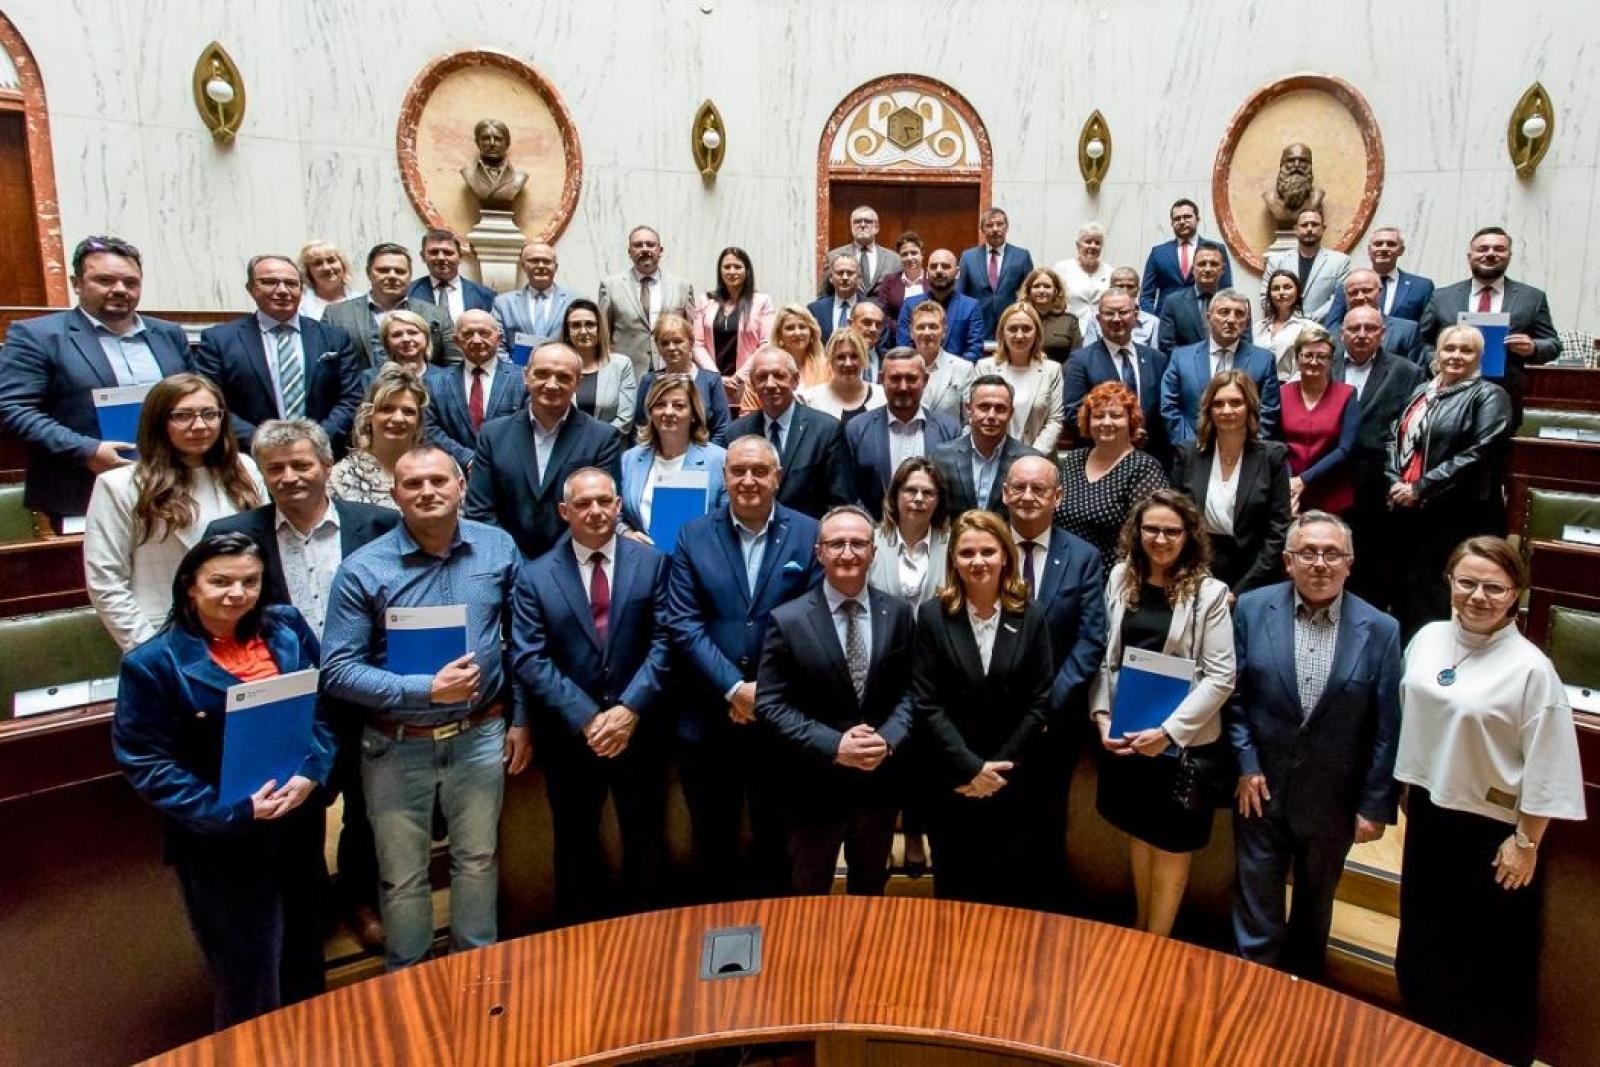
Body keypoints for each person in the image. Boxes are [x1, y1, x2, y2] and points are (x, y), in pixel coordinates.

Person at [111, 533, 335, 1028]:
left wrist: (312, 772)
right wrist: (230, 810)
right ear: (190, 586)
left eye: (250, 581)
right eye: (221, 582)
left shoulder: (287, 627)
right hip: (221, 837)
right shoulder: (153, 664)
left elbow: (319, 709)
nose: (238, 593)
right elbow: (145, 760)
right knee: (248, 971)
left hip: (295, 819)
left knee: (305, 948)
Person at [321, 445, 530, 970]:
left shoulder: (497, 547)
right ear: (395, 496)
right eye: (413, 485)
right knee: (403, 875)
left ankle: (473, 974)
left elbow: (527, 641)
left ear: (461, 486)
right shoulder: (361, 569)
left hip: (479, 734)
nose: (428, 492)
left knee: (478, 862)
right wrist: (424, 690)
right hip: (396, 743)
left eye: (439, 481)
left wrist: (521, 718)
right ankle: (408, 981)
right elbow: (338, 670)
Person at [203, 419, 399, 953]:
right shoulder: (234, 531)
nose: (290, 477)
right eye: (277, 469)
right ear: (263, 475)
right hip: (284, 696)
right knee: (295, 807)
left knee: (365, 803)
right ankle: (309, 907)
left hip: (363, 685)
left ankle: (360, 897)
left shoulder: (378, 523)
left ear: (327, 466)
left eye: (301, 465)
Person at [1393, 536, 1585, 1066]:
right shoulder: (1428, 638)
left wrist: (1526, 842)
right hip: (1433, 816)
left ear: (1516, 593)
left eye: (1494, 587)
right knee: (1425, 944)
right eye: (1467, 582)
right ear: (1449, 583)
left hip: (1496, 834)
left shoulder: (1531, 668)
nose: (1478, 596)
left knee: (1487, 961)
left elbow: (1549, 764)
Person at [1227, 512, 1401, 980]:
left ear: (1350, 563)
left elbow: (1387, 726)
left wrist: (1375, 804)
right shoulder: (1250, 608)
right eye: (1308, 552)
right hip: (1259, 790)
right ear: (1287, 561)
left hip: (1333, 801)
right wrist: (1245, 764)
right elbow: (1234, 697)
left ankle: (1299, 1011)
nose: (1320, 563)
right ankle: (1249, 1002)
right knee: (1255, 910)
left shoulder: (1381, 629)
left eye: (1332, 554)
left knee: (1313, 912)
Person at [664, 435, 823, 900]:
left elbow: (813, 621)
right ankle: (715, 952)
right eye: (738, 471)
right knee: (712, 842)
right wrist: (733, 688)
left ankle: (775, 952)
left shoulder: (809, 533)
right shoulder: (692, 535)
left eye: (759, 471)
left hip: (781, 721)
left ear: (778, 477)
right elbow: (684, 623)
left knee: (776, 844)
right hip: (707, 718)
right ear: (724, 477)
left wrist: (763, 693)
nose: (748, 480)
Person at [512, 468, 671, 921]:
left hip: (639, 731)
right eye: (583, 504)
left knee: (645, 839)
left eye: (604, 501)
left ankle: (651, 941)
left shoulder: (654, 563)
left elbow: (666, 642)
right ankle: (581, 950)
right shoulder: (536, 575)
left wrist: (628, 710)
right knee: (575, 844)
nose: (596, 511)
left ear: (619, 506)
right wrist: (588, 717)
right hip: (571, 737)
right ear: (565, 511)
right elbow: (529, 656)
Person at [1090, 489, 1236, 936]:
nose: (1160, 538)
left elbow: (1221, 676)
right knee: (1139, 832)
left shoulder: (1208, 593)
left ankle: (1159, 941)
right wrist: (1101, 716)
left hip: (1180, 746)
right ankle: (1139, 925)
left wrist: (1169, 733)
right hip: (1129, 734)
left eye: (1171, 531)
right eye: (1151, 529)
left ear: (1188, 536)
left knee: (1171, 845)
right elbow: (1104, 658)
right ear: (1137, 532)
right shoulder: (1120, 576)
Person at [757, 505, 916, 895]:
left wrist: (889, 738)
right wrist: (834, 745)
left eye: (858, 543)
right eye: (837, 544)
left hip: (878, 786)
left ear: (873, 552)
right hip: (813, 788)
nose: (848, 553)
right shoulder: (788, 619)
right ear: (819, 552)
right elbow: (770, 704)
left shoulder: (897, 614)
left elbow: (915, 690)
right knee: (808, 896)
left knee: (869, 894)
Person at [910, 509, 1052, 905]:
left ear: (1005, 555)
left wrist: (995, 770)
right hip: (952, 780)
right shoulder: (933, 617)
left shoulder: (1032, 616)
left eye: (988, 551)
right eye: (967, 552)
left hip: (1012, 781)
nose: (978, 562)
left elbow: (1040, 701)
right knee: (955, 891)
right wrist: (971, 768)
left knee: (1008, 894)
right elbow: (926, 702)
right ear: (953, 559)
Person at [0, 235, 192, 523]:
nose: (119, 289)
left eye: (130, 282)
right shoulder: (38, 336)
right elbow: (12, 409)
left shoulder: (168, 334)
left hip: (172, 488)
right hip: (81, 491)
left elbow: (195, 397)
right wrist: (86, 450)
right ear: (77, 283)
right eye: (104, 280)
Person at [85, 373, 265, 652]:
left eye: (210, 414)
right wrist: (150, 650)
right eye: (183, 416)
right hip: (162, 634)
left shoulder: (244, 469)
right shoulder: (119, 485)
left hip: (245, 632)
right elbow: (106, 581)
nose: (199, 425)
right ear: (159, 421)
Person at [1002, 456, 1108, 912]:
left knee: (1048, 821)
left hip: (1054, 723)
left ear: (1057, 497)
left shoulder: (1083, 557)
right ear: (1005, 492)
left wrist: (1046, 703)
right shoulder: (983, 547)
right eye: (1019, 487)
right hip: (993, 720)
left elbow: (1090, 640)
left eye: (1038, 489)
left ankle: (1040, 921)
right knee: (993, 822)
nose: (1027, 497)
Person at [1384, 324, 1512, 639]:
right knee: (1405, 592)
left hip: (1455, 516)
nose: (1455, 355)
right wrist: (1394, 481)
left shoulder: (1489, 395)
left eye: (1465, 350)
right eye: (1449, 348)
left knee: (1436, 596)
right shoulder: (1422, 391)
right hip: (1409, 512)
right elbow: (1394, 436)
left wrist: (1420, 487)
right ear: (1437, 353)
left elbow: (1480, 453)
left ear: (1480, 356)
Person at [464, 341, 624, 558]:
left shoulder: (602, 438)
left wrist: (548, 569)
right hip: (503, 563)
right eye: (542, 374)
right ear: (525, 376)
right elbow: (479, 512)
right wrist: (515, 562)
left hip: (572, 565)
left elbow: (600, 512)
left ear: (578, 382)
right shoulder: (493, 435)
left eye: (563, 377)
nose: (551, 384)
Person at [196, 254, 363, 455]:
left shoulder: (333, 337)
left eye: (291, 284)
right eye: (270, 282)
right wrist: (262, 442)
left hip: (322, 455)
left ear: (301, 290)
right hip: (248, 458)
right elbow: (211, 403)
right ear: (251, 289)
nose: (282, 290)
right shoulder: (219, 341)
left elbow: (351, 397)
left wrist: (317, 440)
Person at [1330, 305, 1424, 607]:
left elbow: (1409, 431)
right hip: (1330, 476)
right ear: (1341, 333)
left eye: (1370, 328)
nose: (1361, 335)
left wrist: (1398, 479)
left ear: (1382, 334)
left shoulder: (1407, 371)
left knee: (1371, 560)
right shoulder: (1324, 364)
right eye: (1354, 329)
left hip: (1377, 482)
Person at [1417, 226, 1559, 423]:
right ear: (1470, 255)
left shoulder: (1531, 298)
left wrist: (1533, 348)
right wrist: (1439, 361)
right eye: (1483, 249)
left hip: (1504, 397)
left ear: (1509, 255)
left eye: (1499, 249)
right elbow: (1422, 340)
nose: (1490, 254)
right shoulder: (1442, 297)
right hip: (1448, 395)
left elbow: (1553, 344)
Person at [1170, 372, 1291, 597]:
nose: (1227, 411)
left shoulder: (1272, 456)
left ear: (1249, 407)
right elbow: (1176, 520)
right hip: (1196, 569)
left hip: (1256, 574)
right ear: (1209, 409)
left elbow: (1278, 530)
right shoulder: (1187, 454)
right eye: (1218, 404)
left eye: (1236, 402)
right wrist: (1194, 576)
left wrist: (1242, 590)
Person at [725, 347, 853, 518]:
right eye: (762, 377)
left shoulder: (827, 430)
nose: (770, 384)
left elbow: (839, 502)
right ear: (753, 384)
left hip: (807, 539)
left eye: (779, 376)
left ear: (795, 380)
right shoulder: (736, 433)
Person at [1055, 382, 1168, 571]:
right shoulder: (1073, 459)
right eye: (1098, 416)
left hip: (1112, 576)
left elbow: (1146, 535)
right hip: (1065, 569)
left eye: (1116, 416)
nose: (1106, 422)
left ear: (1130, 421)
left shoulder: (1144, 468)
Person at [845, 347, 961, 520]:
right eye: (895, 378)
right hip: (874, 532)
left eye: (912, 379)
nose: (903, 386)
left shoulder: (950, 429)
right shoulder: (857, 429)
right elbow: (849, 491)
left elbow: (953, 491)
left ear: (925, 380)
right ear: (881, 379)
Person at [1161, 287, 1282, 444]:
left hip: (1245, 455)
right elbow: (1169, 407)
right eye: (1224, 312)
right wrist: (1192, 447)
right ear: (1209, 317)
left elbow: (1268, 413)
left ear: (1246, 322)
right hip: (1192, 454)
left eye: (1239, 314)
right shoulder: (1182, 357)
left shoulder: (1264, 360)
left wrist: (1245, 448)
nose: (1231, 320)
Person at [1065, 289, 1171, 464]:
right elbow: (1074, 412)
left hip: (1151, 458)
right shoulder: (1080, 360)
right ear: (1098, 320)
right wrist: (1124, 434)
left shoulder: (1157, 359)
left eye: (1123, 312)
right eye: (1109, 313)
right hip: (1100, 458)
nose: (1116, 319)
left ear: (1135, 316)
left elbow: (1163, 410)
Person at [620, 373, 727, 540]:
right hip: (643, 558)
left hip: (697, 559)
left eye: (678, 406)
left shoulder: (719, 460)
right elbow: (616, 514)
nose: (668, 412)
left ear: (693, 414)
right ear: (650, 411)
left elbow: (727, 519)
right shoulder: (630, 459)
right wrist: (627, 534)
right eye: (660, 404)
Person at [322, 243, 457, 371]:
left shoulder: (437, 315)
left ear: (409, 276)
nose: (392, 276)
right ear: (369, 273)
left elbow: (454, 365)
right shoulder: (335, 315)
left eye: (399, 271)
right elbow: (326, 367)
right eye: (383, 270)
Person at [422, 310, 527, 470]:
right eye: (468, 334)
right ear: (456, 341)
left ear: (499, 339)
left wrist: (494, 461)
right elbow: (429, 429)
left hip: (510, 470)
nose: (477, 340)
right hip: (454, 471)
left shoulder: (523, 378)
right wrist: (468, 459)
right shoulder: (434, 382)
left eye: (484, 333)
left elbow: (529, 425)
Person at [930, 375, 1041, 516]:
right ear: (969, 409)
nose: (991, 415)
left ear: (1011, 413)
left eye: (1000, 409)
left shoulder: (1031, 460)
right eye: (984, 407)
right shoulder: (942, 457)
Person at [597, 224, 696, 378]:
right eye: (638, 245)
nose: (644, 249)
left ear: (660, 250)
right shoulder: (610, 286)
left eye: (650, 244)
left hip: (672, 372)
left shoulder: (682, 286)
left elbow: (690, 333)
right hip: (627, 375)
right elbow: (603, 334)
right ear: (630, 252)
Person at [1280, 327, 1358, 516]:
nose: (1314, 362)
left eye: (1322, 356)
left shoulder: (1347, 394)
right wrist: (1291, 482)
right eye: (1307, 355)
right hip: (1287, 491)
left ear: (1331, 360)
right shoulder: (1281, 393)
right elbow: (1275, 442)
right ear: (1297, 358)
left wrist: (1304, 480)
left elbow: (1346, 448)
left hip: (1331, 494)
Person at [329, 365, 429, 509]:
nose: (398, 418)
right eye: (386, 409)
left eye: (408, 411)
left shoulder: (440, 468)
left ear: (419, 421)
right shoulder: (340, 477)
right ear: (369, 415)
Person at [975, 302, 1066, 452]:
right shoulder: (985, 367)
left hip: (1039, 459)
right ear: (1002, 332)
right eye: (1012, 329)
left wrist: (1031, 457)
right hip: (993, 457)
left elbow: (1055, 420)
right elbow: (975, 416)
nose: (1019, 335)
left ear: (1037, 333)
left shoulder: (1052, 370)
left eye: (1026, 329)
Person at [690, 246, 775, 405]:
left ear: (747, 270)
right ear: (720, 271)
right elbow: (697, 344)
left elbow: (766, 343)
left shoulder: (762, 301)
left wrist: (739, 376)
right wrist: (716, 377)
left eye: (737, 266)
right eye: (727, 267)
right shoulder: (706, 300)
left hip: (748, 382)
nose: (732, 271)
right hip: (711, 382)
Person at [636, 312, 732, 445]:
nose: (671, 347)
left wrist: (704, 458)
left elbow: (722, 429)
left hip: (703, 458)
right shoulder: (649, 381)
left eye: (678, 341)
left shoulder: (711, 380)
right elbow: (640, 425)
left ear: (691, 343)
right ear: (657, 347)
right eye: (664, 343)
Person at [867, 457, 950, 605]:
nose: (919, 498)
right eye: (910, 490)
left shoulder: (952, 545)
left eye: (928, 493)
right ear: (895, 495)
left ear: (938, 500)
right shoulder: (871, 541)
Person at [1323, 225, 1435, 332]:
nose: (1384, 248)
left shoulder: (1421, 287)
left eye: (1391, 244)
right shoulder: (1350, 285)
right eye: (1378, 244)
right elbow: (1333, 326)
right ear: (1369, 250)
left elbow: (1426, 331)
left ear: (1401, 250)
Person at [1139, 198, 1234, 314]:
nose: (1182, 221)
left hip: (1204, 318)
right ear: (1172, 223)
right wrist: (1154, 321)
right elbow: (1146, 296)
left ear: (1197, 220)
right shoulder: (1158, 253)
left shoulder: (1216, 249)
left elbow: (1226, 290)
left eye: (1187, 217)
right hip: (1166, 321)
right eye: (1177, 219)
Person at [957, 207, 1037, 338]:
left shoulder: (1022, 256)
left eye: (1000, 224)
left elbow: (1029, 294)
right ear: (982, 230)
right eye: (989, 225)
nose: (995, 229)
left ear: (1007, 227)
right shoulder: (968, 257)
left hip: (1013, 327)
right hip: (975, 325)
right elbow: (959, 293)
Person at [560, 298, 637, 433]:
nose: (583, 331)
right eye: (576, 325)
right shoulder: (557, 366)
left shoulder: (621, 365)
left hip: (608, 447)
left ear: (599, 328)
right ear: (567, 332)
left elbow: (625, 419)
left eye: (590, 324)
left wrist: (598, 442)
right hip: (564, 445)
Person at [1261, 208, 1351, 322]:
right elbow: (1266, 297)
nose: (1309, 229)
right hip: (1284, 329)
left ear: (1323, 229)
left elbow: (1339, 298)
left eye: (1314, 224)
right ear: (1296, 230)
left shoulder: (1340, 261)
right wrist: (1290, 319)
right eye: (1304, 225)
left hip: (1322, 330)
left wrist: (1309, 320)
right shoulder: (1276, 260)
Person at [896, 248, 986, 361]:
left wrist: (949, 369)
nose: (939, 270)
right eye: (934, 267)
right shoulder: (910, 305)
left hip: (957, 375)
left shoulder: (971, 306)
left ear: (957, 273)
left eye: (945, 266)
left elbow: (975, 349)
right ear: (927, 273)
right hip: (919, 373)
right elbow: (904, 347)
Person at [491, 241, 573, 353]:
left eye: (547, 261)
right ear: (523, 266)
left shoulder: (574, 301)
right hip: (516, 369)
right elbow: (497, 346)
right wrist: (515, 371)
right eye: (534, 261)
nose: (541, 266)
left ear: (556, 267)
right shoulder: (503, 303)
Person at [1157, 245, 1239, 355]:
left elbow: (1244, 344)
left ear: (1223, 270)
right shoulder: (1173, 303)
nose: (1208, 269)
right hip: (1186, 370)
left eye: (1214, 264)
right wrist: (1195, 364)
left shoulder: (1238, 304)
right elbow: (1166, 345)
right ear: (1193, 269)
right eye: (1202, 264)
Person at [905, 299, 976, 421]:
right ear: (911, 332)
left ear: (944, 332)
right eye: (921, 327)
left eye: (933, 327)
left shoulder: (964, 369)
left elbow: (970, 420)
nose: (927, 333)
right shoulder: (900, 367)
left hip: (951, 439)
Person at [1328, 269, 1421, 363]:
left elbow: (1415, 373)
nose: (1360, 297)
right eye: (1353, 293)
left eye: (1366, 291)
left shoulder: (1407, 331)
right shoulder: (1332, 335)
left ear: (1380, 292)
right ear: (1345, 296)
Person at [406, 229, 495, 322]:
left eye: (448, 252)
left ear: (460, 256)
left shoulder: (485, 296)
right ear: (423, 256)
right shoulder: (409, 293)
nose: (441, 257)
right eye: (434, 252)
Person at [800, 328, 885, 423]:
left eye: (854, 356)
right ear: (830, 360)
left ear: (863, 359)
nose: (848, 363)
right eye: (840, 357)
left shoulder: (882, 397)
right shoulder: (810, 400)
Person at [822, 205, 901, 298]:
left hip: (882, 311)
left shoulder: (894, 259)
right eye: (857, 222)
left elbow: (898, 296)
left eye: (868, 221)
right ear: (851, 227)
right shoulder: (833, 256)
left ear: (877, 227)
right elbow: (825, 294)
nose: (863, 225)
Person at [1253, 269, 1318, 380]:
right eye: (1276, 288)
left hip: (1291, 388)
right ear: (1269, 294)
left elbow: (1308, 367)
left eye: (1287, 287)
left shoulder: (1310, 328)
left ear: (1298, 292)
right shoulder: (1257, 328)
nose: (1281, 292)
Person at [1081, 266, 1161, 350]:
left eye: (1130, 286)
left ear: (1138, 290)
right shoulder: (1096, 320)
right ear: (1110, 289)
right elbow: (1088, 356)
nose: (1125, 291)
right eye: (1120, 286)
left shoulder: (1152, 323)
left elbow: (1154, 359)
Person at [1019, 266, 1083, 363]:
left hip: (1061, 374)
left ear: (1056, 291)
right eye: (1036, 286)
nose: (1041, 290)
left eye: (1047, 286)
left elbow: (1077, 357)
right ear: (1028, 291)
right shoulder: (1018, 318)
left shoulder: (1069, 321)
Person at [360, 308, 434, 386]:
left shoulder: (446, 378)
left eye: (412, 333)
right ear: (386, 342)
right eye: (397, 335)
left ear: (426, 337)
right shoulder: (371, 378)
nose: (406, 339)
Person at [1054, 221, 1113, 319]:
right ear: (1078, 245)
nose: (1093, 246)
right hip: (1070, 329)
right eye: (1088, 242)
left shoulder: (1110, 271)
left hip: (1101, 330)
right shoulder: (1062, 268)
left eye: (1097, 243)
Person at [766, 303, 830, 392]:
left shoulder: (827, 367)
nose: (797, 333)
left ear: (811, 332)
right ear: (779, 335)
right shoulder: (765, 368)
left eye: (802, 327)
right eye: (790, 328)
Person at [296, 240, 360, 320]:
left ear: (343, 264)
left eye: (331, 260)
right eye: (318, 263)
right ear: (308, 271)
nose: (326, 268)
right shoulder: (299, 305)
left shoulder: (361, 301)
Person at [873, 231, 926, 326]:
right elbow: (882, 313)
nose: (910, 258)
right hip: (897, 337)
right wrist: (902, 331)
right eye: (905, 254)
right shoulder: (889, 281)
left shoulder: (932, 279)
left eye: (914, 253)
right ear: (899, 257)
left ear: (922, 254)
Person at [808, 254, 863, 344]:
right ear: (830, 278)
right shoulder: (815, 310)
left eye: (850, 273)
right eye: (840, 273)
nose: (845, 277)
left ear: (859, 278)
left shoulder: (873, 307)